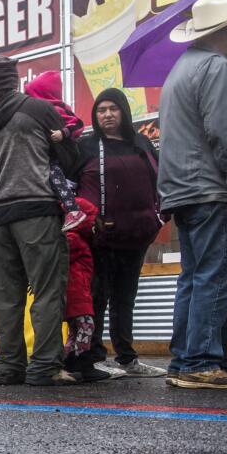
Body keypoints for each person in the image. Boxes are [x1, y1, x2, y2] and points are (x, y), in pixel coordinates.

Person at [0, 55, 80, 387]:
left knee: (5, 296)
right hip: (37, 213)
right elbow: (68, 160)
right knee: (46, 290)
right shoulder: (38, 111)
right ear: (15, 82)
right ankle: (45, 365)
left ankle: (9, 366)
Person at [157, 0, 227, 389]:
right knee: (216, 275)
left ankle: (187, 360)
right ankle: (203, 362)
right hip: (214, 190)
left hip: (184, 191)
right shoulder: (217, 69)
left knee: (194, 277)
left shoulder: (181, 69)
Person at [76, 88, 167, 379]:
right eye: (101, 110)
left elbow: (159, 180)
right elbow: (69, 185)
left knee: (126, 297)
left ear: (124, 112)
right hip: (101, 238)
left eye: (113, 109)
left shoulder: (141, 142)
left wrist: (160, 218)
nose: (107, 115)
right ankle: (93, 356)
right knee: (97, 296)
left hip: (137, 235)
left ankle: (127, 358)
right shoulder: (87, 145)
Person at [23, 70, 88, 231]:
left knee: (56, 178)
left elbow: (79, 124)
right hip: (41, 158)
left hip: (55, 158)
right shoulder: (32, 112)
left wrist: (63, 133)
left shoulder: (58, 109)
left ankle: (73, 210)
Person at [63, 197, 112, 382]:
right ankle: (83, 361)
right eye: (92, 219)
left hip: (73, 293)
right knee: (86, 326)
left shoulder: (71, 238)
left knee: (74, 330)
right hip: (78, 293)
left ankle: (69, 359)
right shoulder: (74, 239)